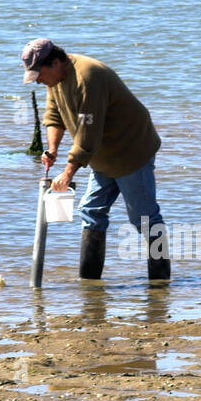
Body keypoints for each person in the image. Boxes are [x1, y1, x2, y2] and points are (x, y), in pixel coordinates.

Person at [21, 38, 169, 281]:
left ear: (56, 63)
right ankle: (90, 286)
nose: (38, 80)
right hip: (102, 155)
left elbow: (87, 137)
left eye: (39, 74)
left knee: (144, 220)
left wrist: (67, 174)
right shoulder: (55, 79)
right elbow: (54, 115)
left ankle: (160, 283)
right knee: (91, 212)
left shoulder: (87, 79)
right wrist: (53, 149)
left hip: (130, 150)